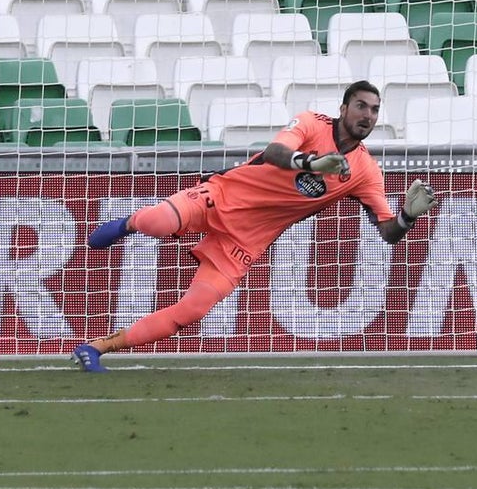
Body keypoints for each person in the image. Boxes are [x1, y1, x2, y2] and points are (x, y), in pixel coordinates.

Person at [73, 80, 436, 372]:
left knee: (193, 310)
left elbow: (388, 233)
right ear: (343, 109)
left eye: (374, 110)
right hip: (225, 195)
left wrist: (408, 216)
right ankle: (126, 224)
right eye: (361, 106)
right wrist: (312, 163)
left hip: (246, 241)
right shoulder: (311, 123)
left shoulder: (365, 171)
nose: (368, 115)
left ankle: (95, 348)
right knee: (157, 221)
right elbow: (276, 152)